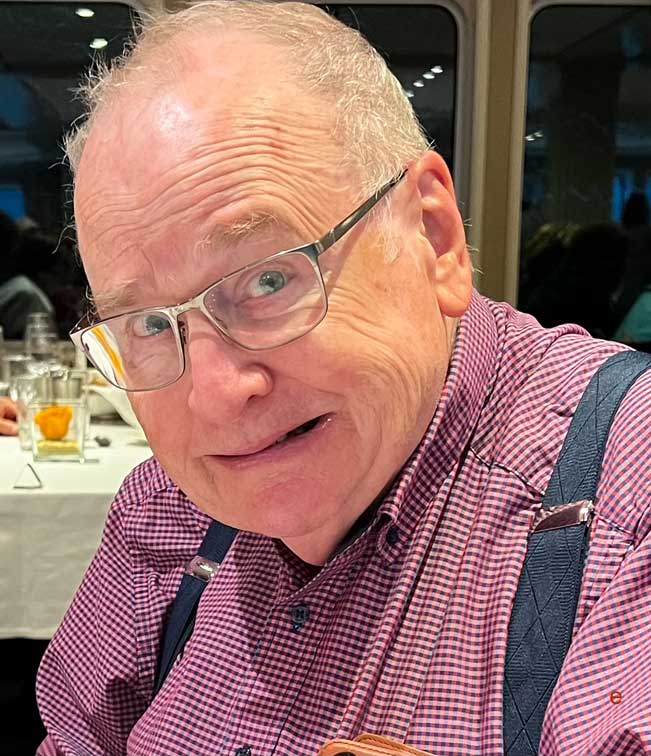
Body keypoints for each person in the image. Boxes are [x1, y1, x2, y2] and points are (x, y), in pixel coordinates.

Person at [35, 3, 651, 755]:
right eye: (150, 325)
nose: (216, 397)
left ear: (434, 236)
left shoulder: (622, 503)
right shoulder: (164, 516)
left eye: (267, 280)